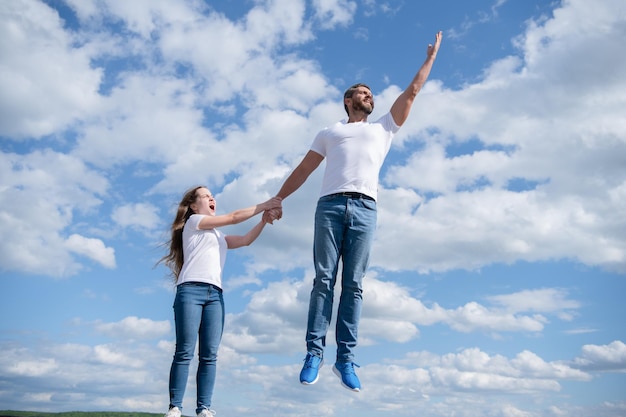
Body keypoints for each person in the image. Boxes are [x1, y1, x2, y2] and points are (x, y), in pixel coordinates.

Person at [264, 31, 442, 392]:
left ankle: (345, 359)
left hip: (365, 208)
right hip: (329, 206)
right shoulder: (329, 132)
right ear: (347, 100)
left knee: (354, 285)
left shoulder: (384, 128)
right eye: (363, 92)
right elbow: (304, 169)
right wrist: (277, 198)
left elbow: (413, 93)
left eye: (372, 94)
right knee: (324, 280)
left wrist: (430, 59)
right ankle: (314, 353)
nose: (370, 96)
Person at [159, 186, 281, 417]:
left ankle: (204, 408)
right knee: (184, 351)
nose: (211, 198)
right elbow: (234, 218)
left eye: (212, 195)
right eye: (206, 196)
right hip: (190, 291)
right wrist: (265, 205)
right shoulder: (195, 221)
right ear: (194, 206)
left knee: (209, 355)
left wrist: (264, 220)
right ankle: (175, 407)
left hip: (215, 295)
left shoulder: (219, 237)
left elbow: (245, 240)